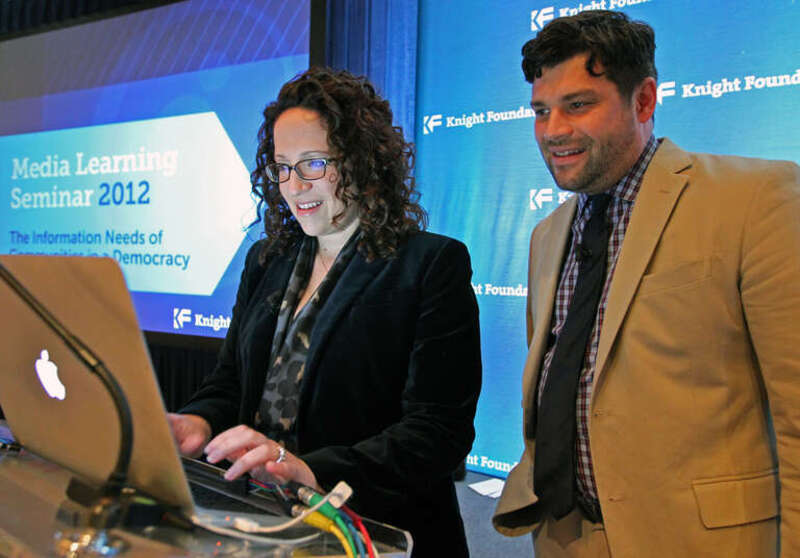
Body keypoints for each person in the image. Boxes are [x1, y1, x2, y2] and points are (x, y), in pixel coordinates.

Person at [493, 10, 800, 558]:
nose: (553, 130)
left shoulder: (755, 200)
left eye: (578, 105)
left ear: (644, 100)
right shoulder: (547, 235)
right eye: (541, 111)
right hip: (564, 538)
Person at [168, 67, 481, 557]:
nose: (295, 186)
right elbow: (230, 383)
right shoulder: (267, 259)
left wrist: (313, 470)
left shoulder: (430, 264)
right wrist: (199, 423)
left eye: (313, 163)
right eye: (282, 166)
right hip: (267, 523)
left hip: (378, 532)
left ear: (362, 161)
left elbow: (438, 434)